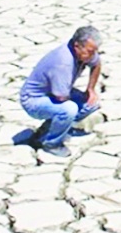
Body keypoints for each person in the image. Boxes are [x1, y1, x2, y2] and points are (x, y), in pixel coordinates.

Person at [19, 26, 103, 157]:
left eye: (94, 52)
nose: (92, 56)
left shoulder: (85, 53)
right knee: (69, 109)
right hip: (34, 100)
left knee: (91, 103)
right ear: (77, 46)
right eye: (90, 52)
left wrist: (90, 90)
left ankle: (53, 126)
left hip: (55, 92)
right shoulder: (63, 62)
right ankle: (52, 143)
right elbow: (61, 97)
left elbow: (97, 64)